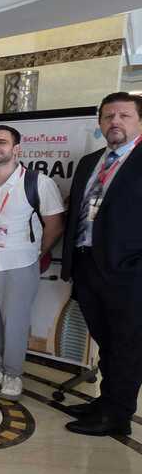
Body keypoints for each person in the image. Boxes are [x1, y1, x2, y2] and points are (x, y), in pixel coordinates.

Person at [61, 92, 142, 437]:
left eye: (124, 115)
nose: (115, 122)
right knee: (106, 340)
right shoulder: (90, 161)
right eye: (108, 116)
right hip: (88, 265)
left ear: (139, 121)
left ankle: (118, 415)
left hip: (129, 272)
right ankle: (106, 401)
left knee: (127, 344)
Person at [0, 126, 65, 401]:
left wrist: (36, 253)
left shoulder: (39, 183)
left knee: (15, 320)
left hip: (20, 261)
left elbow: (55, 225)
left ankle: (13, 375)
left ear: (16, 149)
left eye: (2, 142)